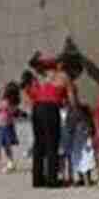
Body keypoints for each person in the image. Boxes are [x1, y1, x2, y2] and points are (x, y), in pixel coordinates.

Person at [24, 52, 73, 188]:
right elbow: (71, 99)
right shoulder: (63, 76)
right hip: (51, 109)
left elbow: (32, 64)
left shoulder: (41, 74)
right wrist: (76, 111)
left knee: (39, 144)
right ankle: (52, 180)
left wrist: (35, 57)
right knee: (52, 144)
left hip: (37, 108)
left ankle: (37, 180)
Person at [0, 82, 21, 173]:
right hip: (4, 125)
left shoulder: (7, 102)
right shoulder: (10, 101)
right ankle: (7, 163)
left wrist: (0, 98)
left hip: (4, 125)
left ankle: (1, 163)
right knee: (3, 146)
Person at [66, 102, 96, 187]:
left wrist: (90, 132)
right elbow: (70, 128)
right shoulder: (70, 112)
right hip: (76, 140)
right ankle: (82, 179)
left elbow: (91, 128)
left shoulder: (86, 115)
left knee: (87, 158)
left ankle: (87, 180)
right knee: (77, 159)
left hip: (86, 140)